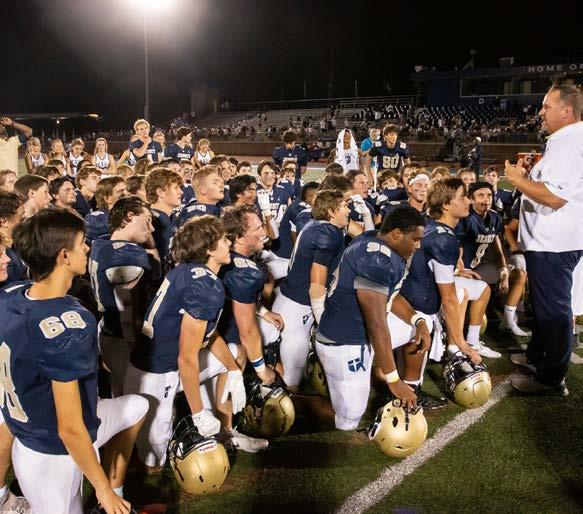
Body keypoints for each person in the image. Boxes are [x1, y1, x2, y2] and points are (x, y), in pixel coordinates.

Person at [4, 209, 148, 514]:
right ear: (63, 256)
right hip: (55, 455)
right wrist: (103, 490)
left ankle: (115, 486)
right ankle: (107, 494)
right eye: (82, 242)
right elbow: (70, 429)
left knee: (137, 406)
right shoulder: (65, 326)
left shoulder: (11, 297)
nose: (87, 247)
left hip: (37, 435)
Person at [124, 216, 246, 470]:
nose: (229, 243)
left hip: (162, 361)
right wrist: (199, 413)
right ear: (209, 248)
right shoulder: (205, 286)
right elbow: (186, 357)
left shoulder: (188, 271)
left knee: (235, 354)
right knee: (153, 462)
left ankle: (226, 432)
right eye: (224, 239)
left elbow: (206, 332)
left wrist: (233, 369)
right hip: (158, 372)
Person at [316, 206, 427, 429]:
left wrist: (418, 320)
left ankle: (410, 385)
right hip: (345, 340)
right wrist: (393, 379)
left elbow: (390, 296)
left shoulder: (377, 239)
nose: (418, 246)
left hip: (362, 330)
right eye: (415, 239)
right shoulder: (376, 259)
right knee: (348, 421)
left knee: (423, 325)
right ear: (396, 234)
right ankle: (292, 401)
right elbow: (376, 324)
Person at [505, 85, 583, 396]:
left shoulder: (570, 143)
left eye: (546, 106)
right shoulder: (565, 140)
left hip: (554, 243)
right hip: (550, 241)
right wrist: (528, 177)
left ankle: (551, 378)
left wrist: (517, 180)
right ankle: (537, 355)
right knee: (543, 305)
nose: (540, 112)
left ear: (566, 110)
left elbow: (554, 198)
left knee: (554, 311)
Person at [399, 177, 482, 365]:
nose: (468, 201)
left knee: (460, 292)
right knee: (408, 376)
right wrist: (463, 344)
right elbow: (448, 298)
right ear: (446, 204)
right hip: (416, 310)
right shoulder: (444, 238)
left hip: (406, 300)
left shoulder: (430, 226)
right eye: (462, 197)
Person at [273, 191, 350, 388]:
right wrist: (321, 317)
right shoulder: (328, 233)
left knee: (295, 372)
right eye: (344, 206)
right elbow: (316, 281)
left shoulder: (315, 224)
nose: (348, 210)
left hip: (291, 300)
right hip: (297, 307)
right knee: (293, 380)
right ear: (331, 212)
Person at [89, 196, 156, 398]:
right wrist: (133, 343)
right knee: (132, 398)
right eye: (147, 221)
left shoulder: (102, 243)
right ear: (128, 217)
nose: (151, 228)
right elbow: (126, 308)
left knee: (120, 391)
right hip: (122, 338)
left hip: (106, 329)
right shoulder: (127, 255)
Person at [146, 168, 183, 270]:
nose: (181, 192)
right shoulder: (151, 220)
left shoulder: (172, 217)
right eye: (176, 188)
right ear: (160, 192)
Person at [84, 176, 127, 245]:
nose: (126, 193)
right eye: (120, 191)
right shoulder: (96, 219)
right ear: (107, 198)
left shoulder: (132, 214)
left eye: (126, 190)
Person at [0, 191, 26, 287]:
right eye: (21, 219)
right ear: (3, 221)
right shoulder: (5, 261)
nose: (25, 222)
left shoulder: (16, 247)